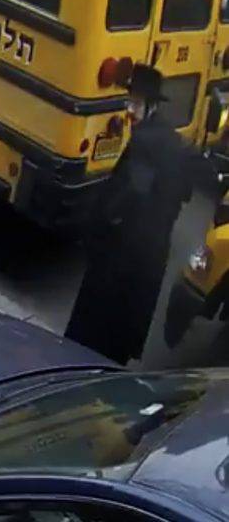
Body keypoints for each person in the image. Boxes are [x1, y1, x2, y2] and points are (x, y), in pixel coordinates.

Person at [65, 64, 192, 365]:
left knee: (90, 341)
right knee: (118, 345)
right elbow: (182, 192)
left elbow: (130, 195)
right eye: (128, 102)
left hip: (121, 261)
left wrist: (97, 227)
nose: (129, 111)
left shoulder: (144, 143)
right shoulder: (172, 140)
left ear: (150, 105)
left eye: (135, 104)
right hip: (149, 259)